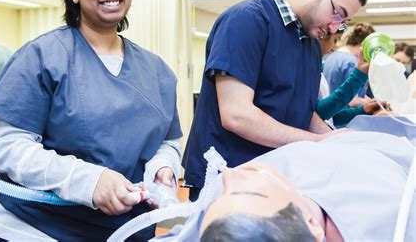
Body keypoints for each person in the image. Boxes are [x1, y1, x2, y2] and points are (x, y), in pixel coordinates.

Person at [0, 0, 182, 241]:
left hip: (124, 229)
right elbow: (10, 149)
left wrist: (162, 167)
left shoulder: (156, 71)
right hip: (35, 226)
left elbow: (166, 141)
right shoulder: (43, 57)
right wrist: (87, 180)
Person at [182, 0, 369, 200]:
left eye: (343, 23)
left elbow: (303, 111)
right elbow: (236, 115)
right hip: (228, 178)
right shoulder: (247, 21)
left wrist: (335, 140)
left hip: (272, 175)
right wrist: (317, 141)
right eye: (336, 14)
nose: (335, 28)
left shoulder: (310, 43)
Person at [152, 130, 415, 241]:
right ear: (312, 226)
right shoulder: (394, 211)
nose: (231, 175)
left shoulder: (223, 221)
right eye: (251, 190)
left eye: (221, 196)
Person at [316, 32, 381, 126]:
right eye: (335, 39)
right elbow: (318, 115)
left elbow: (327, 116)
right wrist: (359, 76)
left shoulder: (330, 59)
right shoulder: (350, 62)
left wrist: (363, 109)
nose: (332, 47)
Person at [323, 22, 375, 101]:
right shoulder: (351, 63)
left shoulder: (331, 57)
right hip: (344, 111)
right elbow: (352, 101)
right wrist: (371, 103)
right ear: (364, 45)